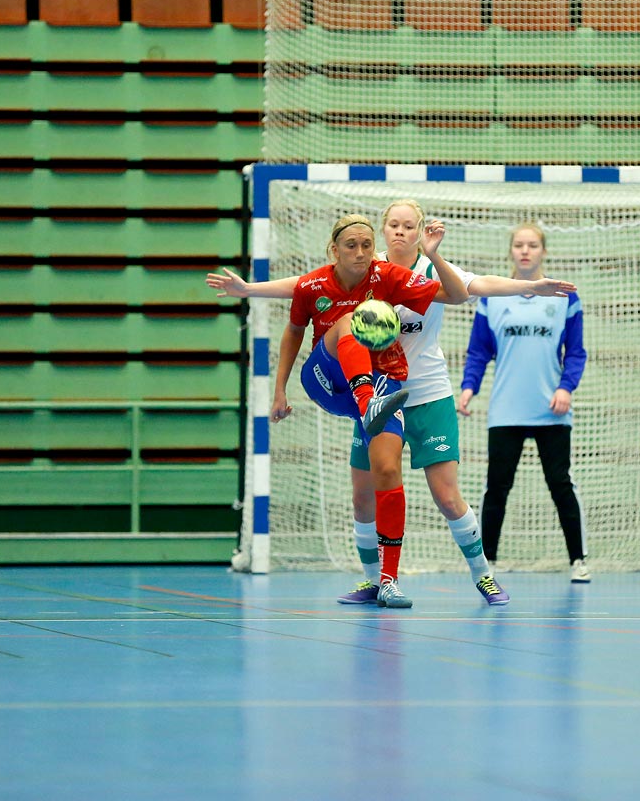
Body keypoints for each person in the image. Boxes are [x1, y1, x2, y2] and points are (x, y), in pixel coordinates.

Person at [210, 200, 577, 608]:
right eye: (394, 224)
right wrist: (250, 290)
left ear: (421, 230)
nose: (400, 231)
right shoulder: (364, 261)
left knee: (447, 496)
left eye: (409, 225)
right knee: (363, 494)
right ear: (383, 229)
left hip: (428, 393)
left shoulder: (424, 271)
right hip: (379, 391)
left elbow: (477, 286)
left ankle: (484, 576)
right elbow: (306, 283)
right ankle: (375, 580)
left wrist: (529, 285)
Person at [246, 212, 468, 608]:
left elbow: (455, 296)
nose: (362, 252)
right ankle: (368, 405)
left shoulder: (387, 275)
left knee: (385, 472)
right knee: (352, 318)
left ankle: (386, 581)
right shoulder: (313, 284)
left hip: (382, 383)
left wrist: (435, 258)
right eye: (352, 245)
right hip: (326, 379)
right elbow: (294, 331)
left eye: (367, 245)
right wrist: (278, 390)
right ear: (334, 250)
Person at [457, 221, 589, 583]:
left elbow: (576, 353)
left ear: (543, 251)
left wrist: (566, 388)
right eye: (519, 245)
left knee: (561, 485)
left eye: (532, 245)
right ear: (511, 251)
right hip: (506, 412)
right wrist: (469, 387)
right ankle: (489, 564)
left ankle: (578, 560)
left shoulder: (565, 298)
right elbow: (479, 351)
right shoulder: (492, 297)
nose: (525, 251)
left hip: (552, 411)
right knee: (497, 487)